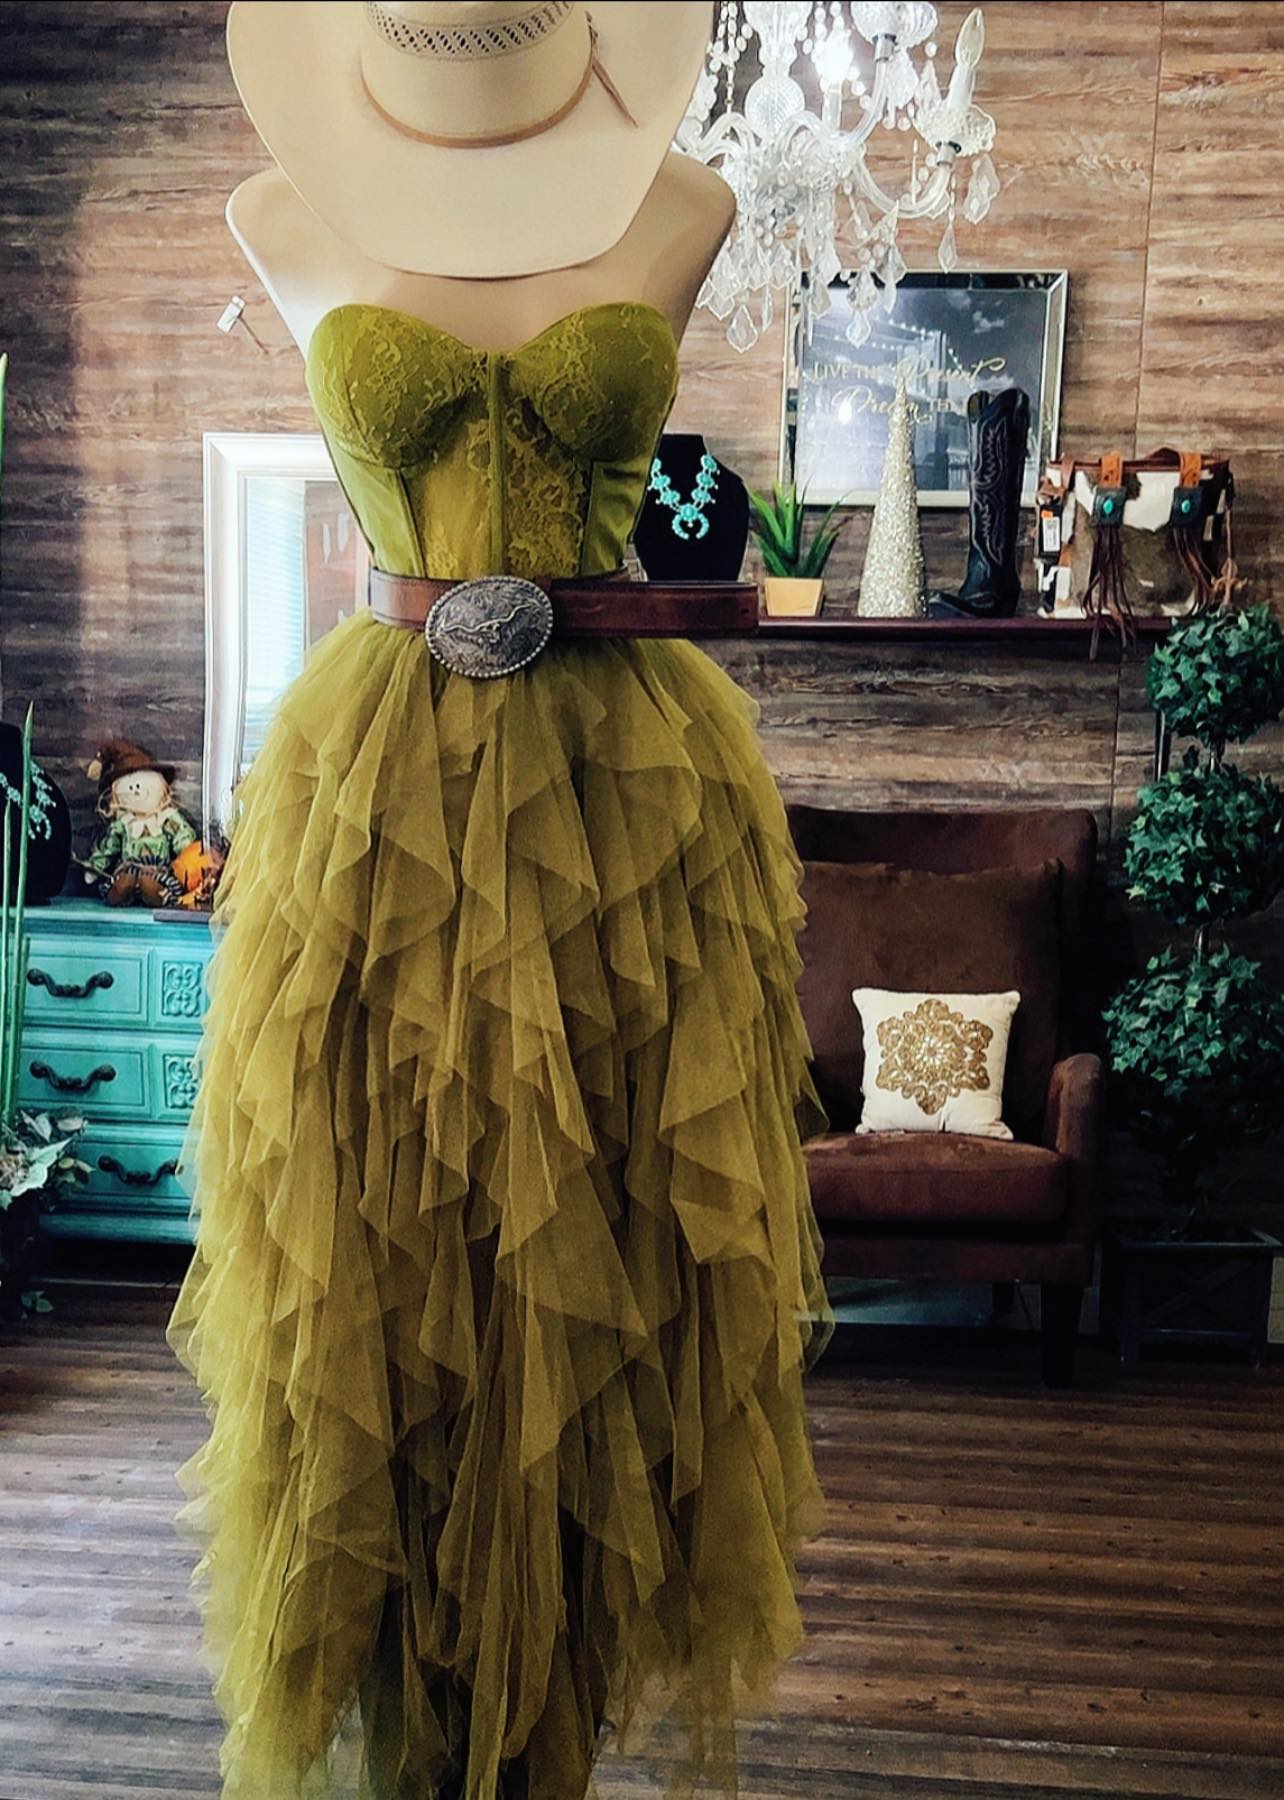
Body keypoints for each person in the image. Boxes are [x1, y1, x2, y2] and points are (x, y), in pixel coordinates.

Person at [168, 6, 831, 1795]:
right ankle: (413, 1704)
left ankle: (556, 1693)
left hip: (622, 799)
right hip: (379, 797)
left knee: (602, 1248)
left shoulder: (675, 204)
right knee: (378, 1254)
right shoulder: (280, 211)